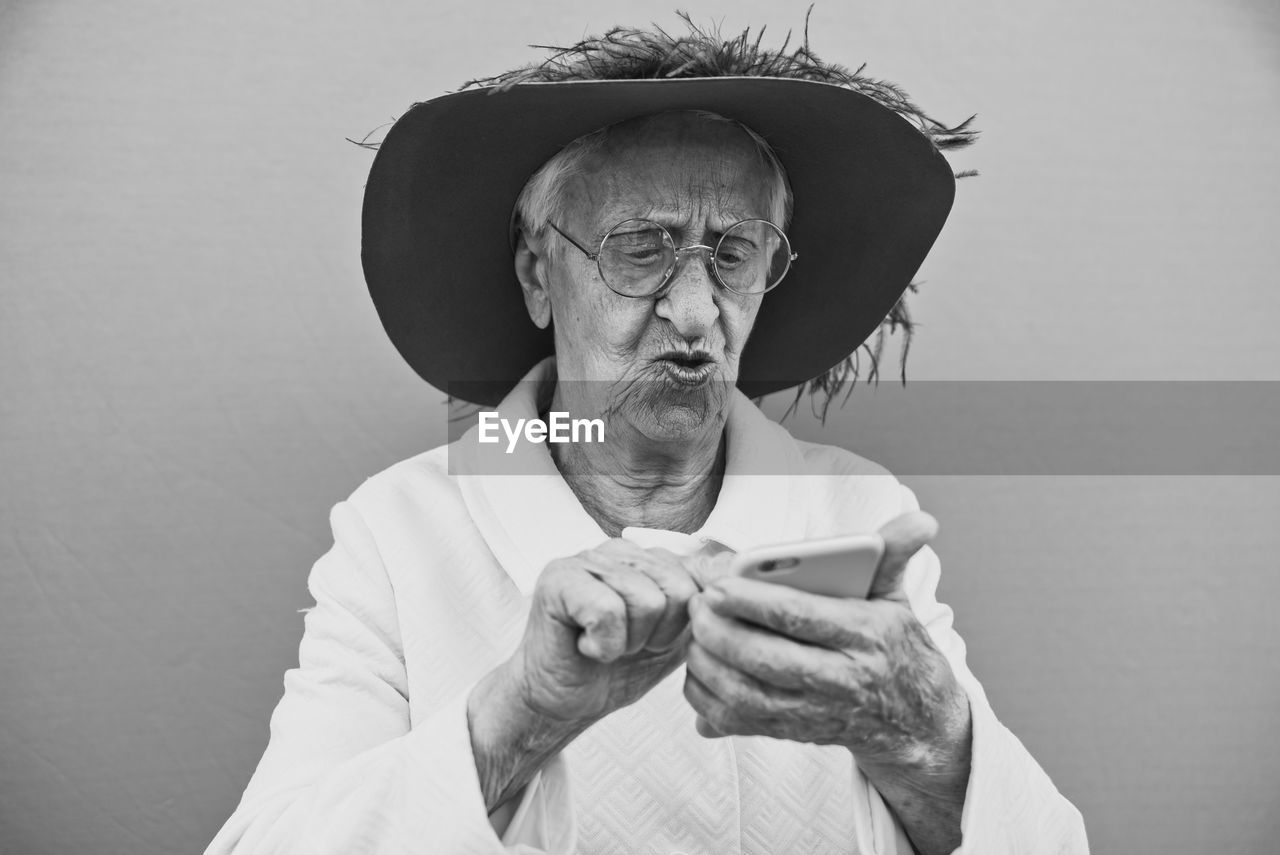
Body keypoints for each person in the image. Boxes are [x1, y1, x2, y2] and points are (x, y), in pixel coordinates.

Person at [208, 20, 1088, 855]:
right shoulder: (400, 531)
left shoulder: (857, 515)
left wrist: (927, 734)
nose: (699, 312)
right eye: (641, 248)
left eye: (736, 253)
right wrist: (521, 715)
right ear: (538, 276)